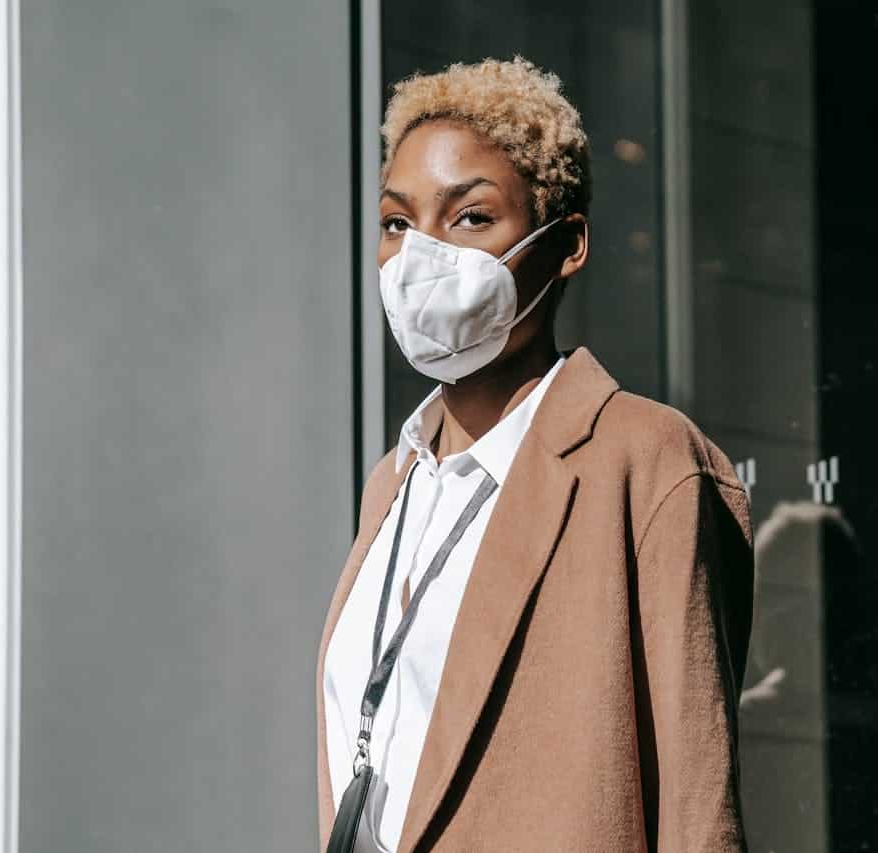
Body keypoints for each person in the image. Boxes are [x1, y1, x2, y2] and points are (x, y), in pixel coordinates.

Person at [316, 57, 754, 852]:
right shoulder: (396, 479)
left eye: (471, 218)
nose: (422, 256)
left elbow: (698, 806)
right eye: (396, 222)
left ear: (568, 243)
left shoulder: (644, 459)